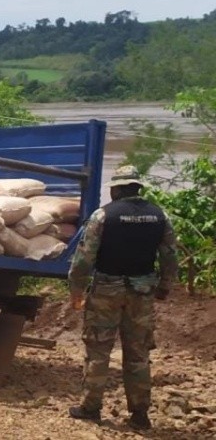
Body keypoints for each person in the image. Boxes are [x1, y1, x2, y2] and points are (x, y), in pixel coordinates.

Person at [67, 165, 178, 430]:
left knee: (98, 349)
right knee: (138, 353)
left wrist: (76, 289)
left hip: (107, 291)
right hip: (142, 293)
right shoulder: (159, 216)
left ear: (116, 189)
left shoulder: (103, 216)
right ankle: (140, 415)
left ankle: (91, 408)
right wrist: (165, 285)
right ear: (137, 187)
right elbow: (170, 256)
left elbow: (85, 258)